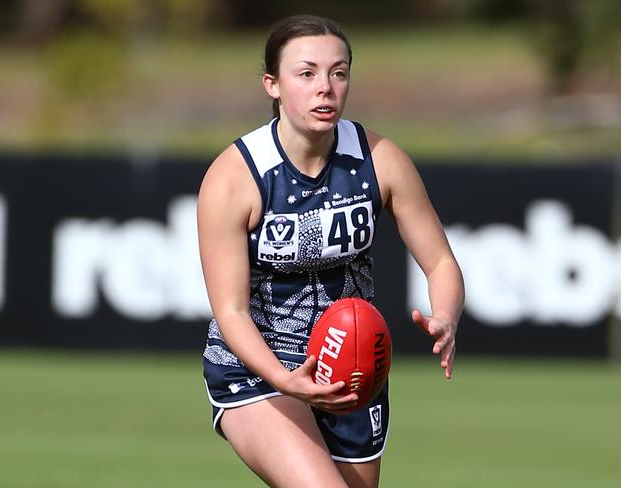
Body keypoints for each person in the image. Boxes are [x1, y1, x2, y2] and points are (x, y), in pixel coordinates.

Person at [198, 14, 465, 488]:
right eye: (306, 73)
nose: (325, 87)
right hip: (259, 369)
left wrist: (445, 314)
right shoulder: (234, 177)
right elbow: (232, 311)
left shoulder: (379, 159)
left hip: (353, 367)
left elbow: (441, 260)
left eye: (338, 73)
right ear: (272, 84)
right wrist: (284, 380)